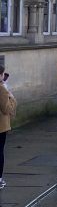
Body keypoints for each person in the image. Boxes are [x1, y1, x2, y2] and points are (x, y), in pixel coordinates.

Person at [0, 61, 16, 190]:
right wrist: (12, 97)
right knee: (0, 152)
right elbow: (7, 109)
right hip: (1, 126)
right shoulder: (2, 89)